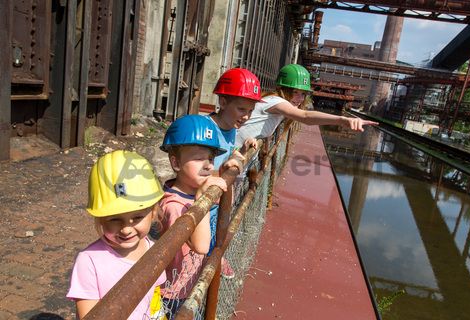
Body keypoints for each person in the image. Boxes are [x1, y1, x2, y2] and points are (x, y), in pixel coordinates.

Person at [67, 150, 167, 319]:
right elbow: (88, 315)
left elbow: (155, 300)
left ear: (153, 212)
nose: (126, 229)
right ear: (100, 219)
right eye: (114, 219)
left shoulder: (153, 249)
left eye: (137, 217)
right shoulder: (89, 261)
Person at [157, 115, 228, 318]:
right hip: (173, 293)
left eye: (211, 159)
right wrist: (201, 199)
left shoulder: (190, 189)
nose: (208, 166)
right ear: (176, 162)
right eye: (198, 158)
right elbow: (202, 246)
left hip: (190, 283)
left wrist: (233, 162)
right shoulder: (173, 205)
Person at [205, 68, 265, 278]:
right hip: (202, 202)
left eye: (250, 110)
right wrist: (221, 172)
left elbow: (226, 156)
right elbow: (194, 171)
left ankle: (215, 259)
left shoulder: (231, 128)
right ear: (222, 102)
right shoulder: (206, 129)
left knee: (215, 240)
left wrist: (242, 150)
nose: (247, 116)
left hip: (218, 202)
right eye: (241, 109)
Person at [235, 63, 378, 146]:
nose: (300, 98)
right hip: (225, 157)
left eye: (303, 94)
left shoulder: (274, 102)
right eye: (295, 92)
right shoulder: (277, 101)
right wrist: (342, 120)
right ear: (283, 89)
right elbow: (305, 116)